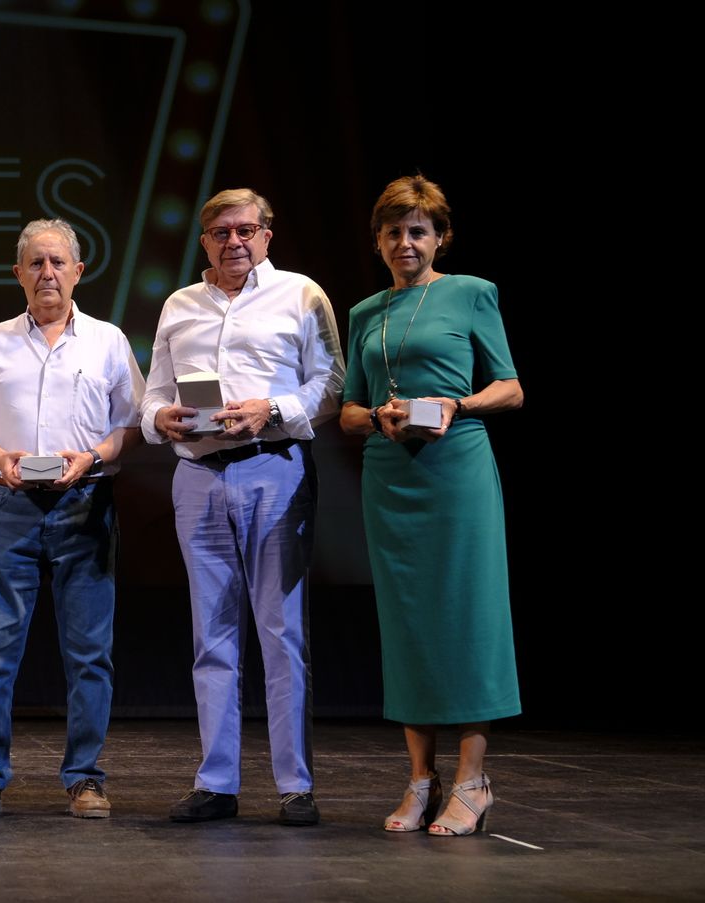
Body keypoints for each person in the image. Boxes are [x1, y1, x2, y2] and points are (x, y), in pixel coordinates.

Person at [141, 188, 343, 827]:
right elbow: (152, 395)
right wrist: (160, 419)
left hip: (273, 468)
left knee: (282, 633)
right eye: (221, 232)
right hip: (198, 476)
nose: (234, 241)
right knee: (212, 635)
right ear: (204, 241)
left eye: (246, 230)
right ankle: (217, 782)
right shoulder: (179, 304)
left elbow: (332, 384)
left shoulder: (302, 294)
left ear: (266, 235)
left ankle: (295, 785)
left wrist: (271, 409)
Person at [340, 175, 523, 837]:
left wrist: (457, 404)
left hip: (456, 472)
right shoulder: (365, 312)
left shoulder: (472, 292)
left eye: (417, 230)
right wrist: (377, 416)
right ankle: (421, 779)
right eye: (393, 231)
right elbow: (348, 409)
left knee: (468, 614)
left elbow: (511, 387)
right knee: (409, 623)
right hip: (391, 476)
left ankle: (473, 781)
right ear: (378, 241)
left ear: (440, 237)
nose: (405, 242)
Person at [0, 218, 143, 819]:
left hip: (85, 501)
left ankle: (85, 777)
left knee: (89, 652)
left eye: (58, 262)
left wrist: (92, 456)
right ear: (18, 273)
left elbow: (130, 425)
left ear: (78, 271)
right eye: (35, 263)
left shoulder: (108, 341)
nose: (47, 273)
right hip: (8, 505)